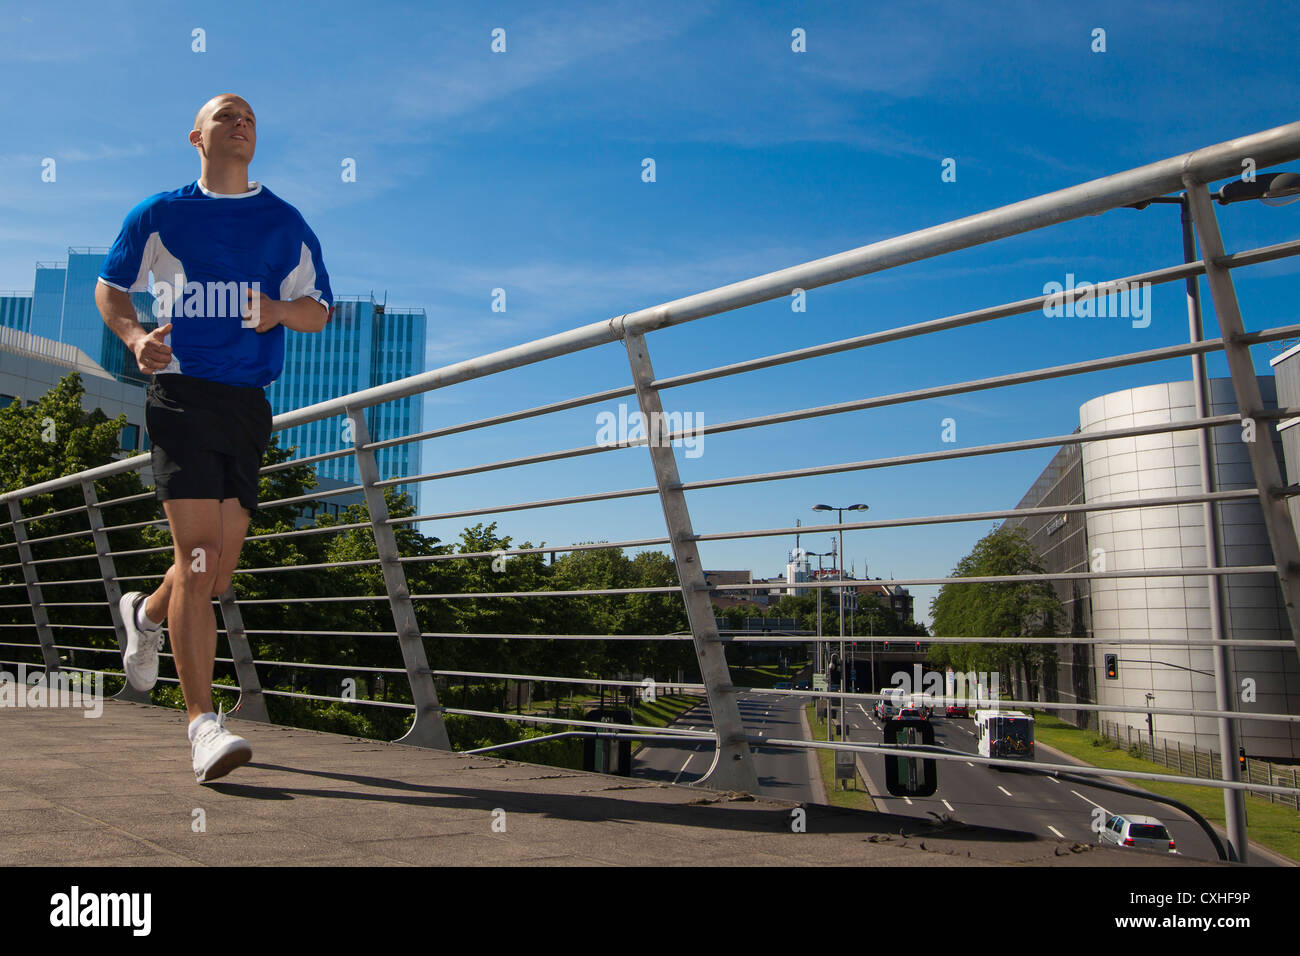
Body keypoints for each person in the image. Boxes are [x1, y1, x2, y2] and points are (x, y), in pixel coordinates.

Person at [95, 94, 333, 783]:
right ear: (196, 136)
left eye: (251, 116)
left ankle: (142, 615)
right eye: (227, 114)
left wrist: (282, 310)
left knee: (215, 575)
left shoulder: (284, 222)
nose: (242, 122)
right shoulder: (159, 215)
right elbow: (111, 289)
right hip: (182, 394)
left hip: (247, 406)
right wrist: (136, 337)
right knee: (197, 558)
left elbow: (318, 309)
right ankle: (202, 724)